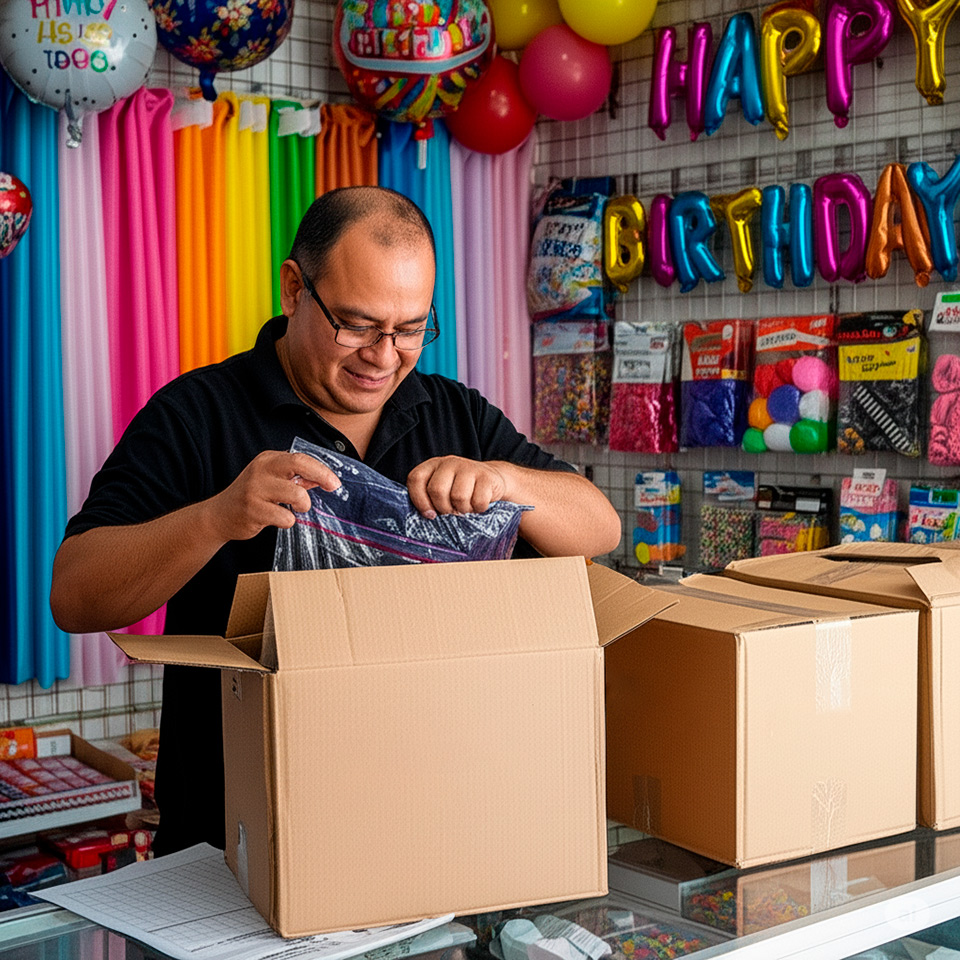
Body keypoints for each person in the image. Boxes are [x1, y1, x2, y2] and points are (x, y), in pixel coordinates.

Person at [50, 186, 622, 856]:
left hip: (427, 818)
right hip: (236, 835)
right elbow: (76, 595)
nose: (383, 357)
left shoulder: (454, 412)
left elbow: (600, 529)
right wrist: (216, 517)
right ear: (294, 288)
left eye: (410, 329)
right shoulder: (197, 413)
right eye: (355, 324)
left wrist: (508, 481)